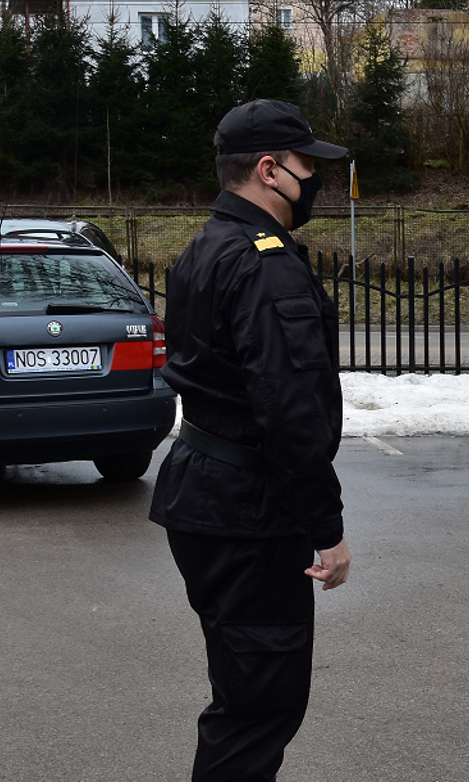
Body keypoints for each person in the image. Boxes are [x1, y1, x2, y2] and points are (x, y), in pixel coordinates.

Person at [149, 99, 352, 782]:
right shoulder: (264, 264)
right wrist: (328, 528)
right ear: (269, 170)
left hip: (209, 495)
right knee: (258, 709)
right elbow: (289, 409)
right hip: (249, 513)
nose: (314, 179)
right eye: (305, 166)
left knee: (245, 694)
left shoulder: (208, 245)